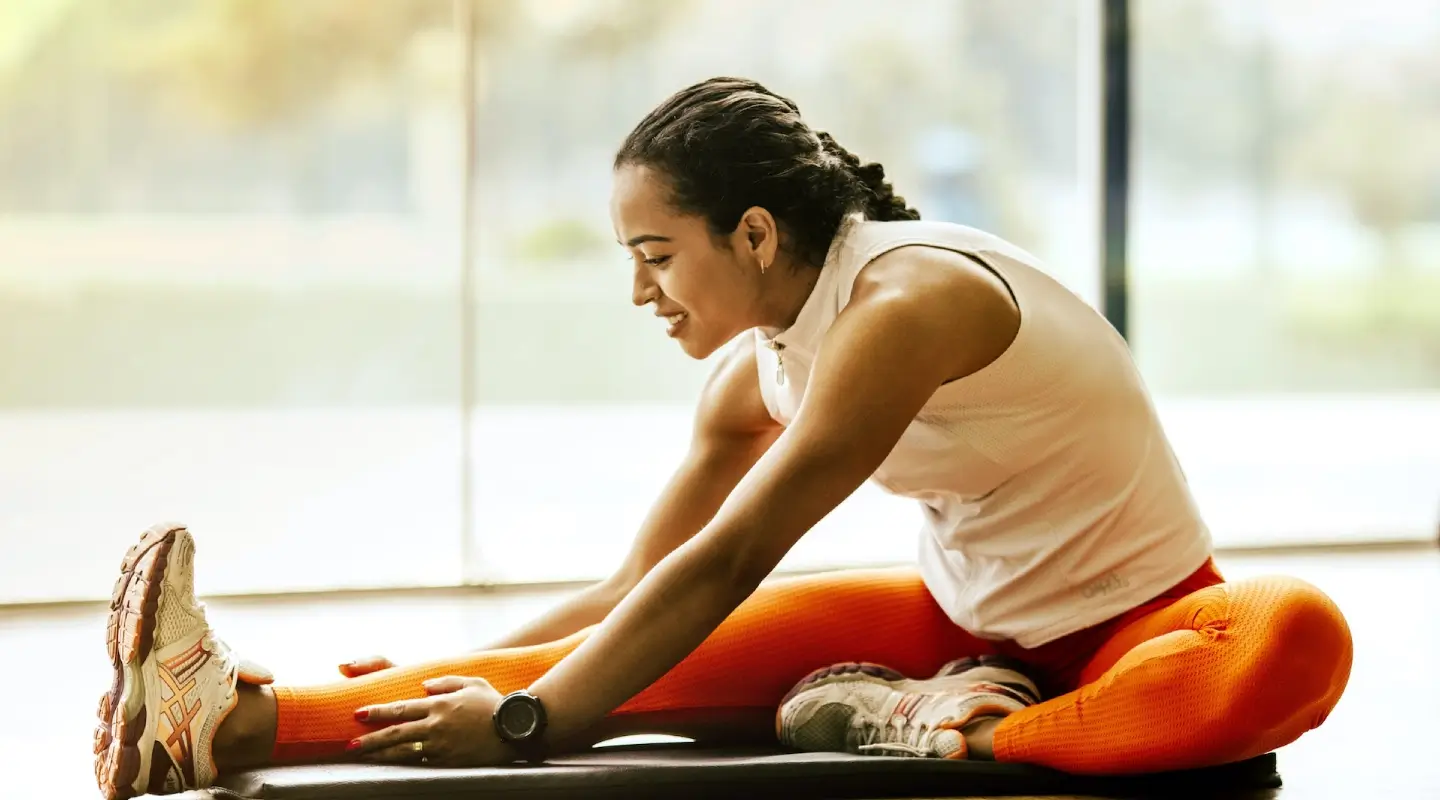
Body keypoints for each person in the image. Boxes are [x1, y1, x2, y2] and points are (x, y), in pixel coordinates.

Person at [93, 77, 1352, 800]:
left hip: (1147, 626)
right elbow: (635, 593)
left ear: (753, 233)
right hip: (965, 627)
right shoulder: (757, 370)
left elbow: (738, 551)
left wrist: (536, 722)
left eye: (657, 255)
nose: (642, 292)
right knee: (605, 654)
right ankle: (209, 721)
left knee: (1298, 635)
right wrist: (459, 669)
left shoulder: (909, 306)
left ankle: (956, 727)